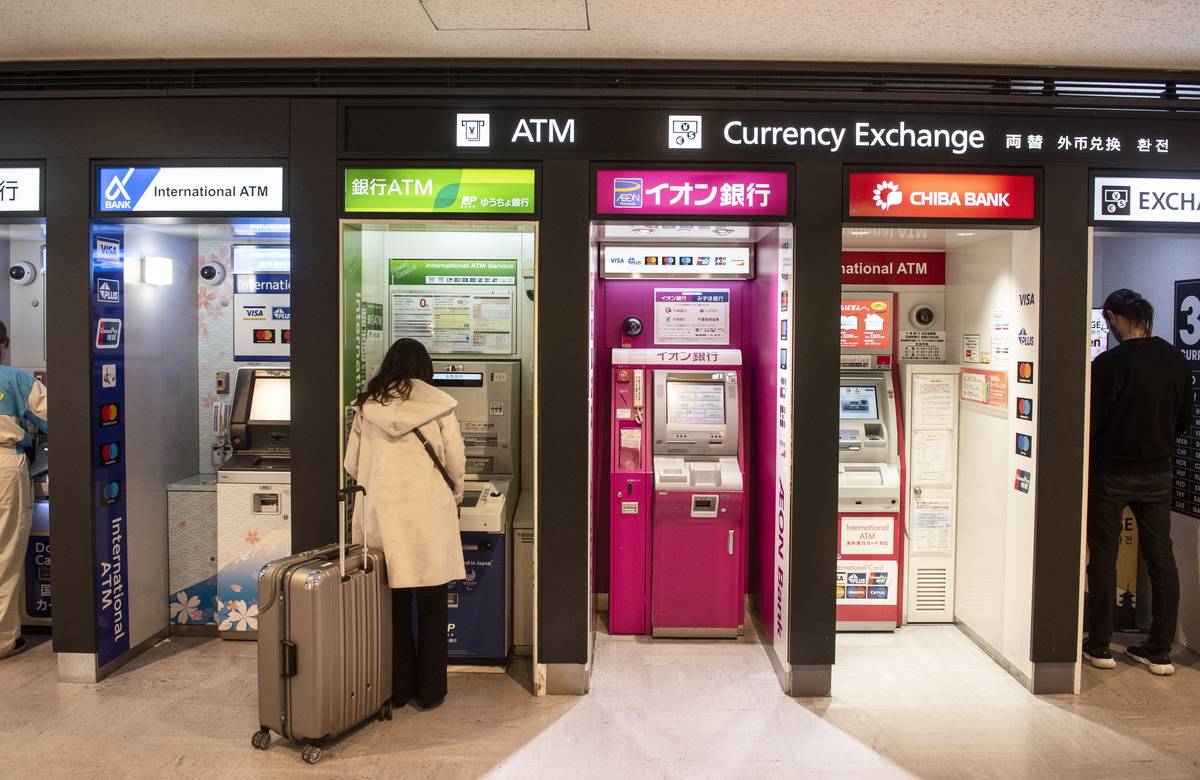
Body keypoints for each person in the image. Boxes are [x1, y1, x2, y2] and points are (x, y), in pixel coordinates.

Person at [344, 338, 466, 708]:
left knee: (392, 609)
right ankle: (431, 692)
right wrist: (457, 493)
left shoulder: (367, 409)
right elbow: (455, 463)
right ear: (424, 367)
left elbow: (351, 464)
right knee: (432, 607)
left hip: (383, 519)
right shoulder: (440, 407)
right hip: (428, 517)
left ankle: (398, 690)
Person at [1084, 289, 1193, 676]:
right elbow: (1185, 421)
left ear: (1114, 318)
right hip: (1157, 473)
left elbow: (1091, 424)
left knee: (1104, 558)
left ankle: (1099, 646)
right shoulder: (1176, 360)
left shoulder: (1109, 364)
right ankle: (1159, 651)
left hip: (1110, 473)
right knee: (1161, 559)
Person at [0, 321, 48, 660]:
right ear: (3, 344)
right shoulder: (16, 379)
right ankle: (3, 640)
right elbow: (58, 417)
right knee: (4, 554)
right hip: (4, 465)